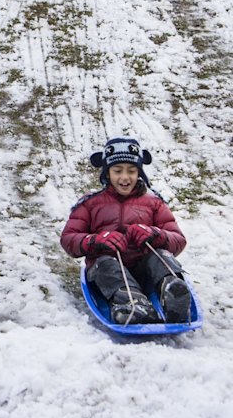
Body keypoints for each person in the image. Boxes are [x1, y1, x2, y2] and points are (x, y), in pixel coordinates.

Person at [60, 137, 192, 325]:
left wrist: (156, 234)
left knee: (161, 256)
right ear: (107, 172)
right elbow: (68, 239)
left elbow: (178, 240)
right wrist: (95, 240)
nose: (125, 177)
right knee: (106, 263)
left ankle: (173, 292)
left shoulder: (154, 203)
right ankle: (132, 303)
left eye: (131, 171)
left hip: (145, 271)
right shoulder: (90, 203)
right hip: (108, 272)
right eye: (117, 171)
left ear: (139, 171)